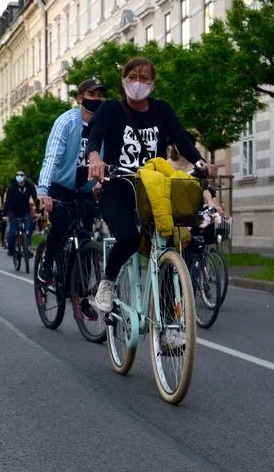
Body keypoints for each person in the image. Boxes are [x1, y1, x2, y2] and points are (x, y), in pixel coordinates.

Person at [86, 57, 218, 334]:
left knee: (168, 248)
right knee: (129, 238)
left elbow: (182, 139)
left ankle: (169, 325)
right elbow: (95, 136)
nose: (138, 82)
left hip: (152, 191)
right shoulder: (111, 109)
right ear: (123, 81)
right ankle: (107, 283)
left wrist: (200, 161)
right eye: (133, 76)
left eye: (145, 78)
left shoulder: (162, 110)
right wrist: (95, 157)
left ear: (153, 83)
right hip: (117, 187)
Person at [37, 78, 107, 284]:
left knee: (86, 239)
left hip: (85, 190)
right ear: (80, 98)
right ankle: (48, 261)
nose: (96, 99)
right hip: (61, 187)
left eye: (99, 95)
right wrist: (43, 190)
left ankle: (82, 292)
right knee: (60, 224)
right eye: (91, 95)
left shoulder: (102, 126)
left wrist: (101, 183)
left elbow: (108, 157)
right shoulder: (66, 122)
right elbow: (52, 157)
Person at [3, 169, 37, 258]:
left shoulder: (30, 186)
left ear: (25, 177)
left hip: (26, 211)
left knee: (28, 231)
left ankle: (28, 249)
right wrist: (5, 214)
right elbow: (7, 202)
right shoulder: (11, 187)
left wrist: (39, 211)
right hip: (14, 212)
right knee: (12, 231)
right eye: (17, 175)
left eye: (21, 175)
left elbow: (35, 198)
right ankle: (11, 249)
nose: (19, 176)